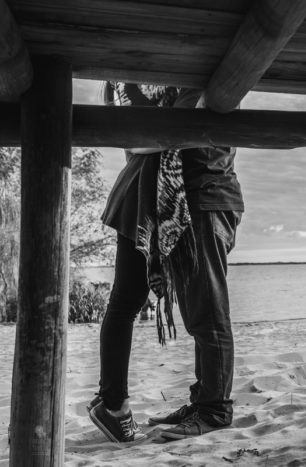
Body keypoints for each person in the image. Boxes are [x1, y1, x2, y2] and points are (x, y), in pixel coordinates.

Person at [87, 83, 244, 442]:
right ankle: (122, 403)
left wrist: (140, 135)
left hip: (191, 194)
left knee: (203, 311)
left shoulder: (200, 82)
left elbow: (167, 132)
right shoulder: (139, 88)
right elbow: (150, 136)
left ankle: (210, 407)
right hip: (153, 197)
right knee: (193, 310)